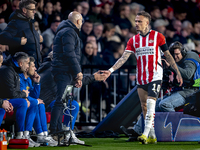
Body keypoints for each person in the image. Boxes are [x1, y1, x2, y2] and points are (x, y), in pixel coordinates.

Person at [101, 11, 183, 144]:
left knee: (151, 103)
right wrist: (110, 70)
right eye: (136, 21)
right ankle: (152, 135)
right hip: (141, 77)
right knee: (144, 106)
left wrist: (177, 72)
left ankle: (144, 134)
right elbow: (123, 58)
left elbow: (168, 55)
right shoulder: (133, 40)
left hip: (156, 75)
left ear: (147, 23)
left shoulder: (158, 36)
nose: (136, 23)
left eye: (139, 21)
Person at [50, 11, 84, 143]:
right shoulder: (69, 32)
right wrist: (78, 72)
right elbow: (70, 54)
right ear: (77, 21)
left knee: (63, 101)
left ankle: (60, 133)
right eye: (81, 21)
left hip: (65, 72)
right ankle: (54, 133)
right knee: (60, 101)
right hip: (64, 71)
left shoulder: (67, 31)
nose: (82, 23)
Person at [0, 52, 38, 147]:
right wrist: (24, 95)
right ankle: (19, 135)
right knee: (22, 102)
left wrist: (25, 95)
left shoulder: (14, 71)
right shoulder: (7, 71)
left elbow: (15, 92)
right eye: (27, 63)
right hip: (6, 99)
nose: (28, 66)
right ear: (21, 63)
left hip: (7, 99)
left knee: (33, 102)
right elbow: (11, 93)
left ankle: (26, 134)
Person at [19, 56, 58, 146]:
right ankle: (27, 135)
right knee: (35, 103)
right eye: (33, 66)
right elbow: (21, 95)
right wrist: (35, 100)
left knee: (40, 105)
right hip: (19, 104)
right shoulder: (19, 78)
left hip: (27, 103)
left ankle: (43, 134)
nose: (35, 68)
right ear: (27, 67)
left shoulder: (28, 79)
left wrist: (37, 83)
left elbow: (34, 95)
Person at [0, 0, 43, 69]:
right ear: (24, 10)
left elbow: (29, 41)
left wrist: (37, 38)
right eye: (32, 10)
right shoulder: (15, 23)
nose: (34, 12)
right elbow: (2, 38)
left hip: (34, 67)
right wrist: (18, 41)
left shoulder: (30, 22)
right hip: (22, 69)